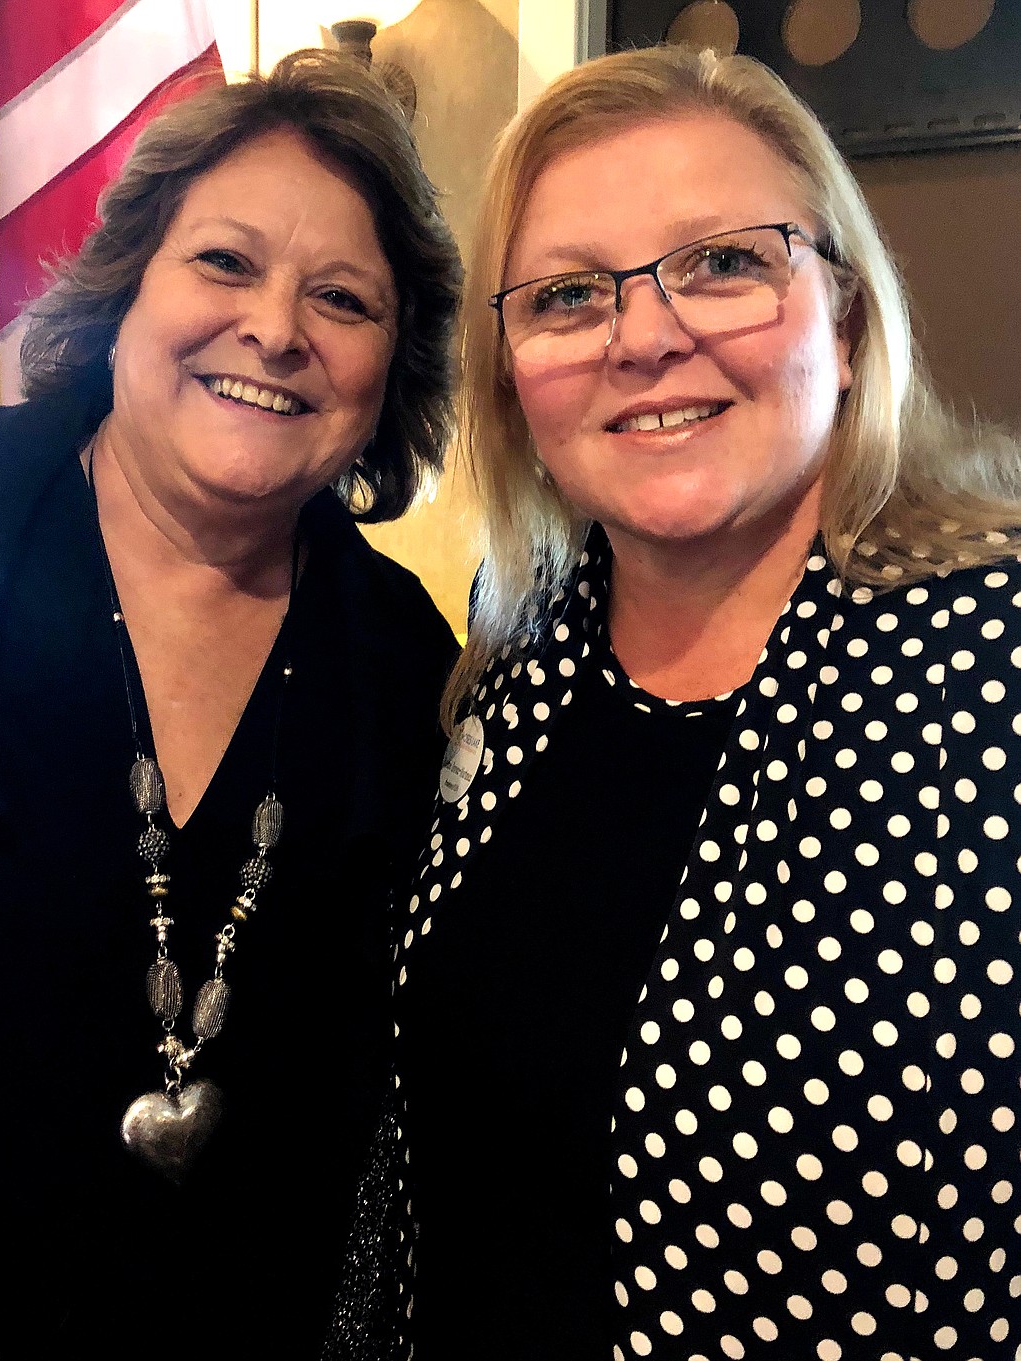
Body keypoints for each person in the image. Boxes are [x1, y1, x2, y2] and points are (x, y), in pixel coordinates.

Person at [374, 44, 1020, 1361]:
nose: (646, 335)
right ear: (510, 375)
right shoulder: (513, 664)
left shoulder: (992, 654)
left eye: (722, 262)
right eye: (566, 294)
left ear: (840, 324)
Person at [0, 51, 460, 1360]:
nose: (278, 327)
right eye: (226, 263)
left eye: (341, 297)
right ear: (125, 287)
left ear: (385, 370)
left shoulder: (408, 666)